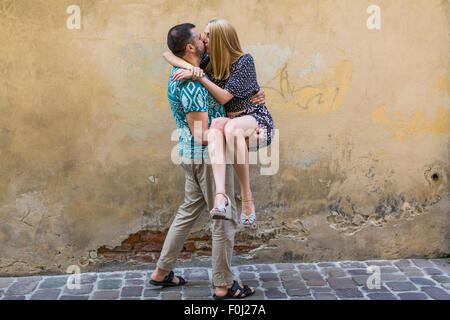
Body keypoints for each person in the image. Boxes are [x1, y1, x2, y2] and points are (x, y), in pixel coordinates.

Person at [150, 23, 256, 299]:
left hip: (191, 157)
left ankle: (161, 272)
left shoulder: (191, 72)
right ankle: (223, 284)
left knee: (187, 213)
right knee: (224, 217)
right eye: (200, 37)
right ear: (190, 47)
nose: (204, 40)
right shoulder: (190, 84)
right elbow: (201, 132)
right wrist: (235, 135)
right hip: (207, 160)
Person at [163, 18, 274, 227]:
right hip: (232, 128)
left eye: (207, 35)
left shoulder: (244, 61)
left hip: (255, 119)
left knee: (229, 128)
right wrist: (194, 70)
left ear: (220, 40)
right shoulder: (208, 61)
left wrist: (200, 76)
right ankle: (221, 195)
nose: (203, 39)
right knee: (219, 128)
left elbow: (224, 98)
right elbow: (168, 54)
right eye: (202, 35)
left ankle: (247, 198)